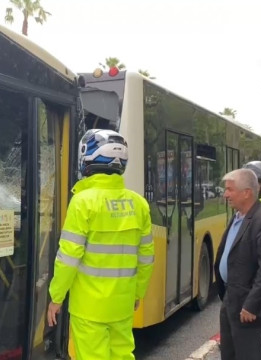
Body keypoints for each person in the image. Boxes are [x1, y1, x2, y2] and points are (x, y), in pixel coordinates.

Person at [47, 129, 154, 360]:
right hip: (123, 304)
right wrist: (137, 293)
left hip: (89, 308)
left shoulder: (83, 202)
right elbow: (146, 257)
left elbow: (68, 256)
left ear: (88, 158)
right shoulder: (139, 204)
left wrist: (56, 297)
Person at [214, 168, 261, 360]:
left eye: (229, 189)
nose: (225, 194)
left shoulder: (260, 219)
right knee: (229, 354)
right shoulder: (238, 216)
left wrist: (252, 305)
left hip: (248, 308)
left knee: (248, 355)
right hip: (230, 299)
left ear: (247, 192)